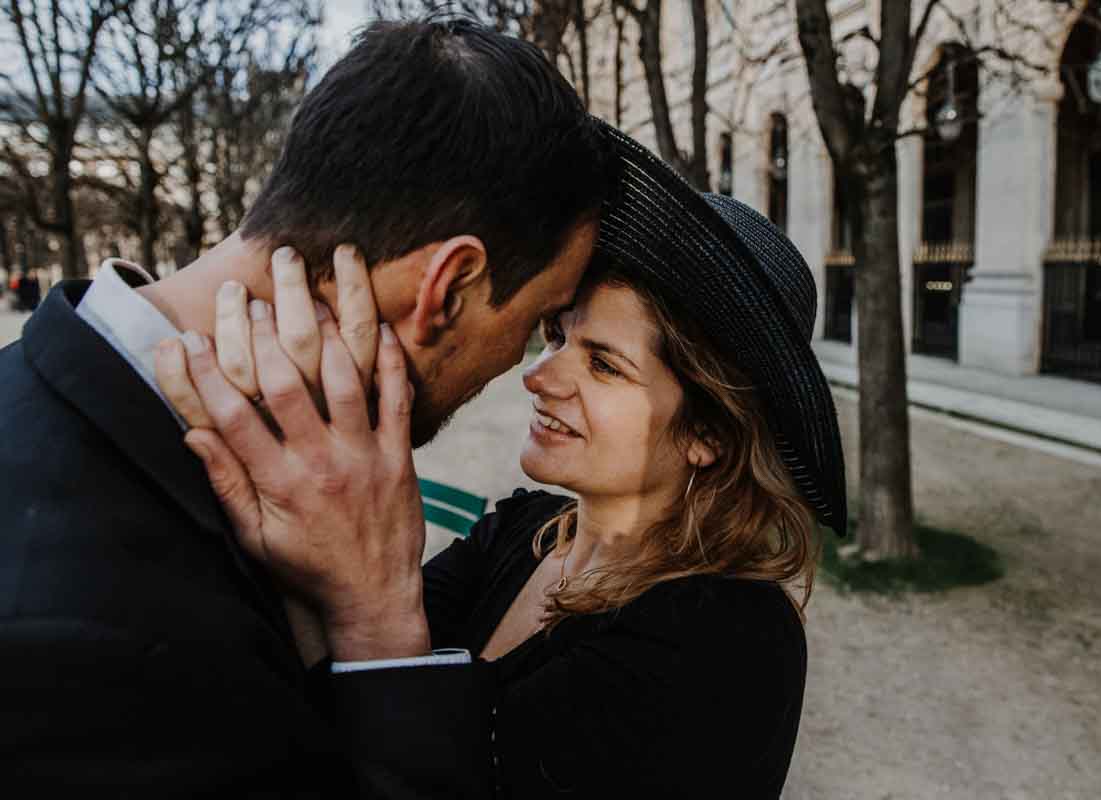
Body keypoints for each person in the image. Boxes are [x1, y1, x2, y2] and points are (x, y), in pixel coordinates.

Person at [0, 17, 617, 796]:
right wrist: (380, 624)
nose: (521, 364)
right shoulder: (75, 645)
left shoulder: (31, 398)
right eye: (535, 324)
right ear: (449, 287)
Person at [158, 126, 848, 797]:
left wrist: (375, 606)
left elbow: (376, 665)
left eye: (604, 364)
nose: (540, 376)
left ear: (710, 433)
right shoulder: (525, 532)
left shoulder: (729, 638)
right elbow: (336, 699)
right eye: (555, 337)